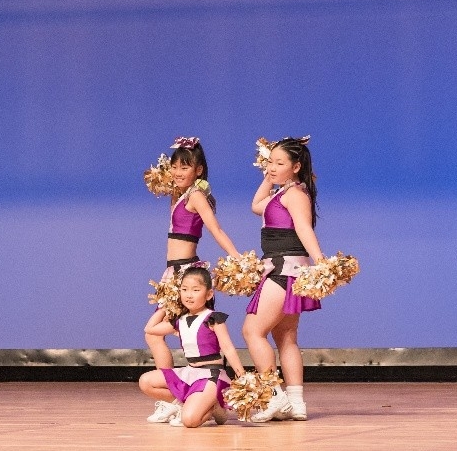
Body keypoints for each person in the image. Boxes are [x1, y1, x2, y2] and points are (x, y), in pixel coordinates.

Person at [144, 137, 240, 423]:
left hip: (184, 273)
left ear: (198, 170)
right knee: (155, 333)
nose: (177, 172)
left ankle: (188, 399)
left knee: (155, 333)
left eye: (185, 167)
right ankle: (182, 397)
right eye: (174, 166)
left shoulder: (196, 196)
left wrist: (237, 257)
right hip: (172, 273)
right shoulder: (179, 194)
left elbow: (216, 229)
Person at [241, 136, 324, 422]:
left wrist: (321, 262)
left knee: (252, 331)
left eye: (279, 163)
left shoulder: (295, 195)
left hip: (283, 270)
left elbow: (303, 228)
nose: (272, 168)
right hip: (285, 270)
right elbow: (256, 205)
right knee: (286, 337)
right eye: (269, 162)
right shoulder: (283, 193)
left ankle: (274, 395)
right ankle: (296, 402)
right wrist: (269, 175)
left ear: (296, 167)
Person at [139, 266, 246, 427]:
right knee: (146, 381)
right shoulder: (180, 320)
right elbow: (150, 329)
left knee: (189, 421)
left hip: (210, 376)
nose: (189, 295)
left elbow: (228, 349)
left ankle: (214, 406)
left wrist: (242, 376)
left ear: (209, 294)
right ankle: (188, 404)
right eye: (184, 289)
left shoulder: (213, 318)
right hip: (189, 373)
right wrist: (165, 304)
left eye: (196, 290)